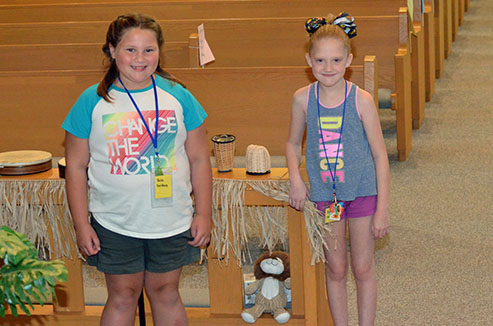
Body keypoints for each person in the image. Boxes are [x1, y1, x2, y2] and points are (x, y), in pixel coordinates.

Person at [62, 13, 212, 326]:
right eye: (130, 50)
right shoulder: (92, 101)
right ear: (112, 50)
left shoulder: (179, 96)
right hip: (114, 222)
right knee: (122, 296)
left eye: (149, 50)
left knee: (166, 292)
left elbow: (199, 159)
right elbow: (75, 167)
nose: (140, 58)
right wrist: (81, 224)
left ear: (160, 52)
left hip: (171, 219)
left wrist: (203, 214)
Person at [286, 13, 390, 326]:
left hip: (361, 194)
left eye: (335, 60)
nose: (328, 68)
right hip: (325, 197)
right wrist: (296, 180)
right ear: (308, 60)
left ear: (349, 60)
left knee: (362, 267)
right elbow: (292, 145)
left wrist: (382, 209)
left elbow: (380, 156)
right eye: (320, 60)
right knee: (336, 268)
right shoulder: (303, 99)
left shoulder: (362, 100)